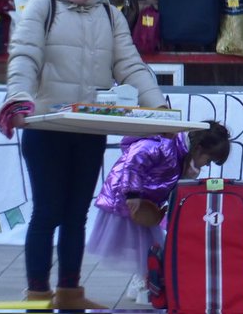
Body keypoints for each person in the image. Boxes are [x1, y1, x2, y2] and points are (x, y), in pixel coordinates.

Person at [0, 0, 166, 309]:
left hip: (88, 130)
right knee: (47, 212)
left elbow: (130, 65)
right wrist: (19, 97)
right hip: (45, 127)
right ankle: (38, 295)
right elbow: (24, 55)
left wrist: (158, 106)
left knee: (76, 214)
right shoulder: (43, 6)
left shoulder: (110, 15)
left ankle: (70, 294)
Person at [89, 122, 232, 303]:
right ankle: (143, 282)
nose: (207, 165)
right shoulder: (163, 145)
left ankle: (142, 281)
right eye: (209, 160)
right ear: (199, 148)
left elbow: (170, 182)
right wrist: (131, 193)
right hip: (127, 198)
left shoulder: (181, 156)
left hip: (145, 204)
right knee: (144, 245)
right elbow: (133, 162)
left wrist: (188, 176)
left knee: (148, 245)